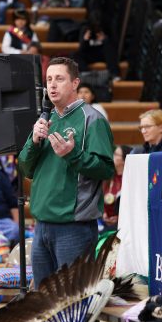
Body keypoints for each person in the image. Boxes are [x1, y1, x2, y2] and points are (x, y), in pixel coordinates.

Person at [18, 56, 115, 288]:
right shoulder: (46, 119)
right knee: (44, 304)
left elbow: (106, 169)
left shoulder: (92, 119)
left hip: (74, 228)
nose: (52, 85)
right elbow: (24, 168)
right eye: (49, 79)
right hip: (41, 225)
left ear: (75, 84)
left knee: (74, 304)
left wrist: (73, 155)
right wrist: (33, 141)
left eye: (59, 79)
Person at [73, 11, 120, 78]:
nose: (97, 29)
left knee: (110, 50)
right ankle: (86, 74)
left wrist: (105, 40)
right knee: (75, 54)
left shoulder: (107, 30)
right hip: (90, 53)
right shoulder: (85, 29)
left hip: (103, 54)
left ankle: (114, 74)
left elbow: (114, 46)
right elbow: (81, 49)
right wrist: (85, 40)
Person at [101, 145, 132, 231]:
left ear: (124, 160)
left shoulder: (130, 180)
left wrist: (119, 218)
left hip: (124, 225)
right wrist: (103, 214)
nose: (112, 156)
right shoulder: (108, 177)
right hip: (104, 222)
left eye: (116, 154)